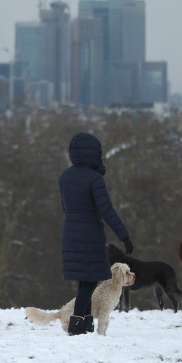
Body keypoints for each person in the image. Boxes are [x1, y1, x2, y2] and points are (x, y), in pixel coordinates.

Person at [58, 132, 133, 336]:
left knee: (86, 281)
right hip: (89, 234)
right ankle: (78, 325)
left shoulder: (65, 176)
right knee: (89, 281)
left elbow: (65, 207)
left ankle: (85, 323)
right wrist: (124, 236)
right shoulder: (94, 179)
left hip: (70, 233)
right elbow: (106, 210)